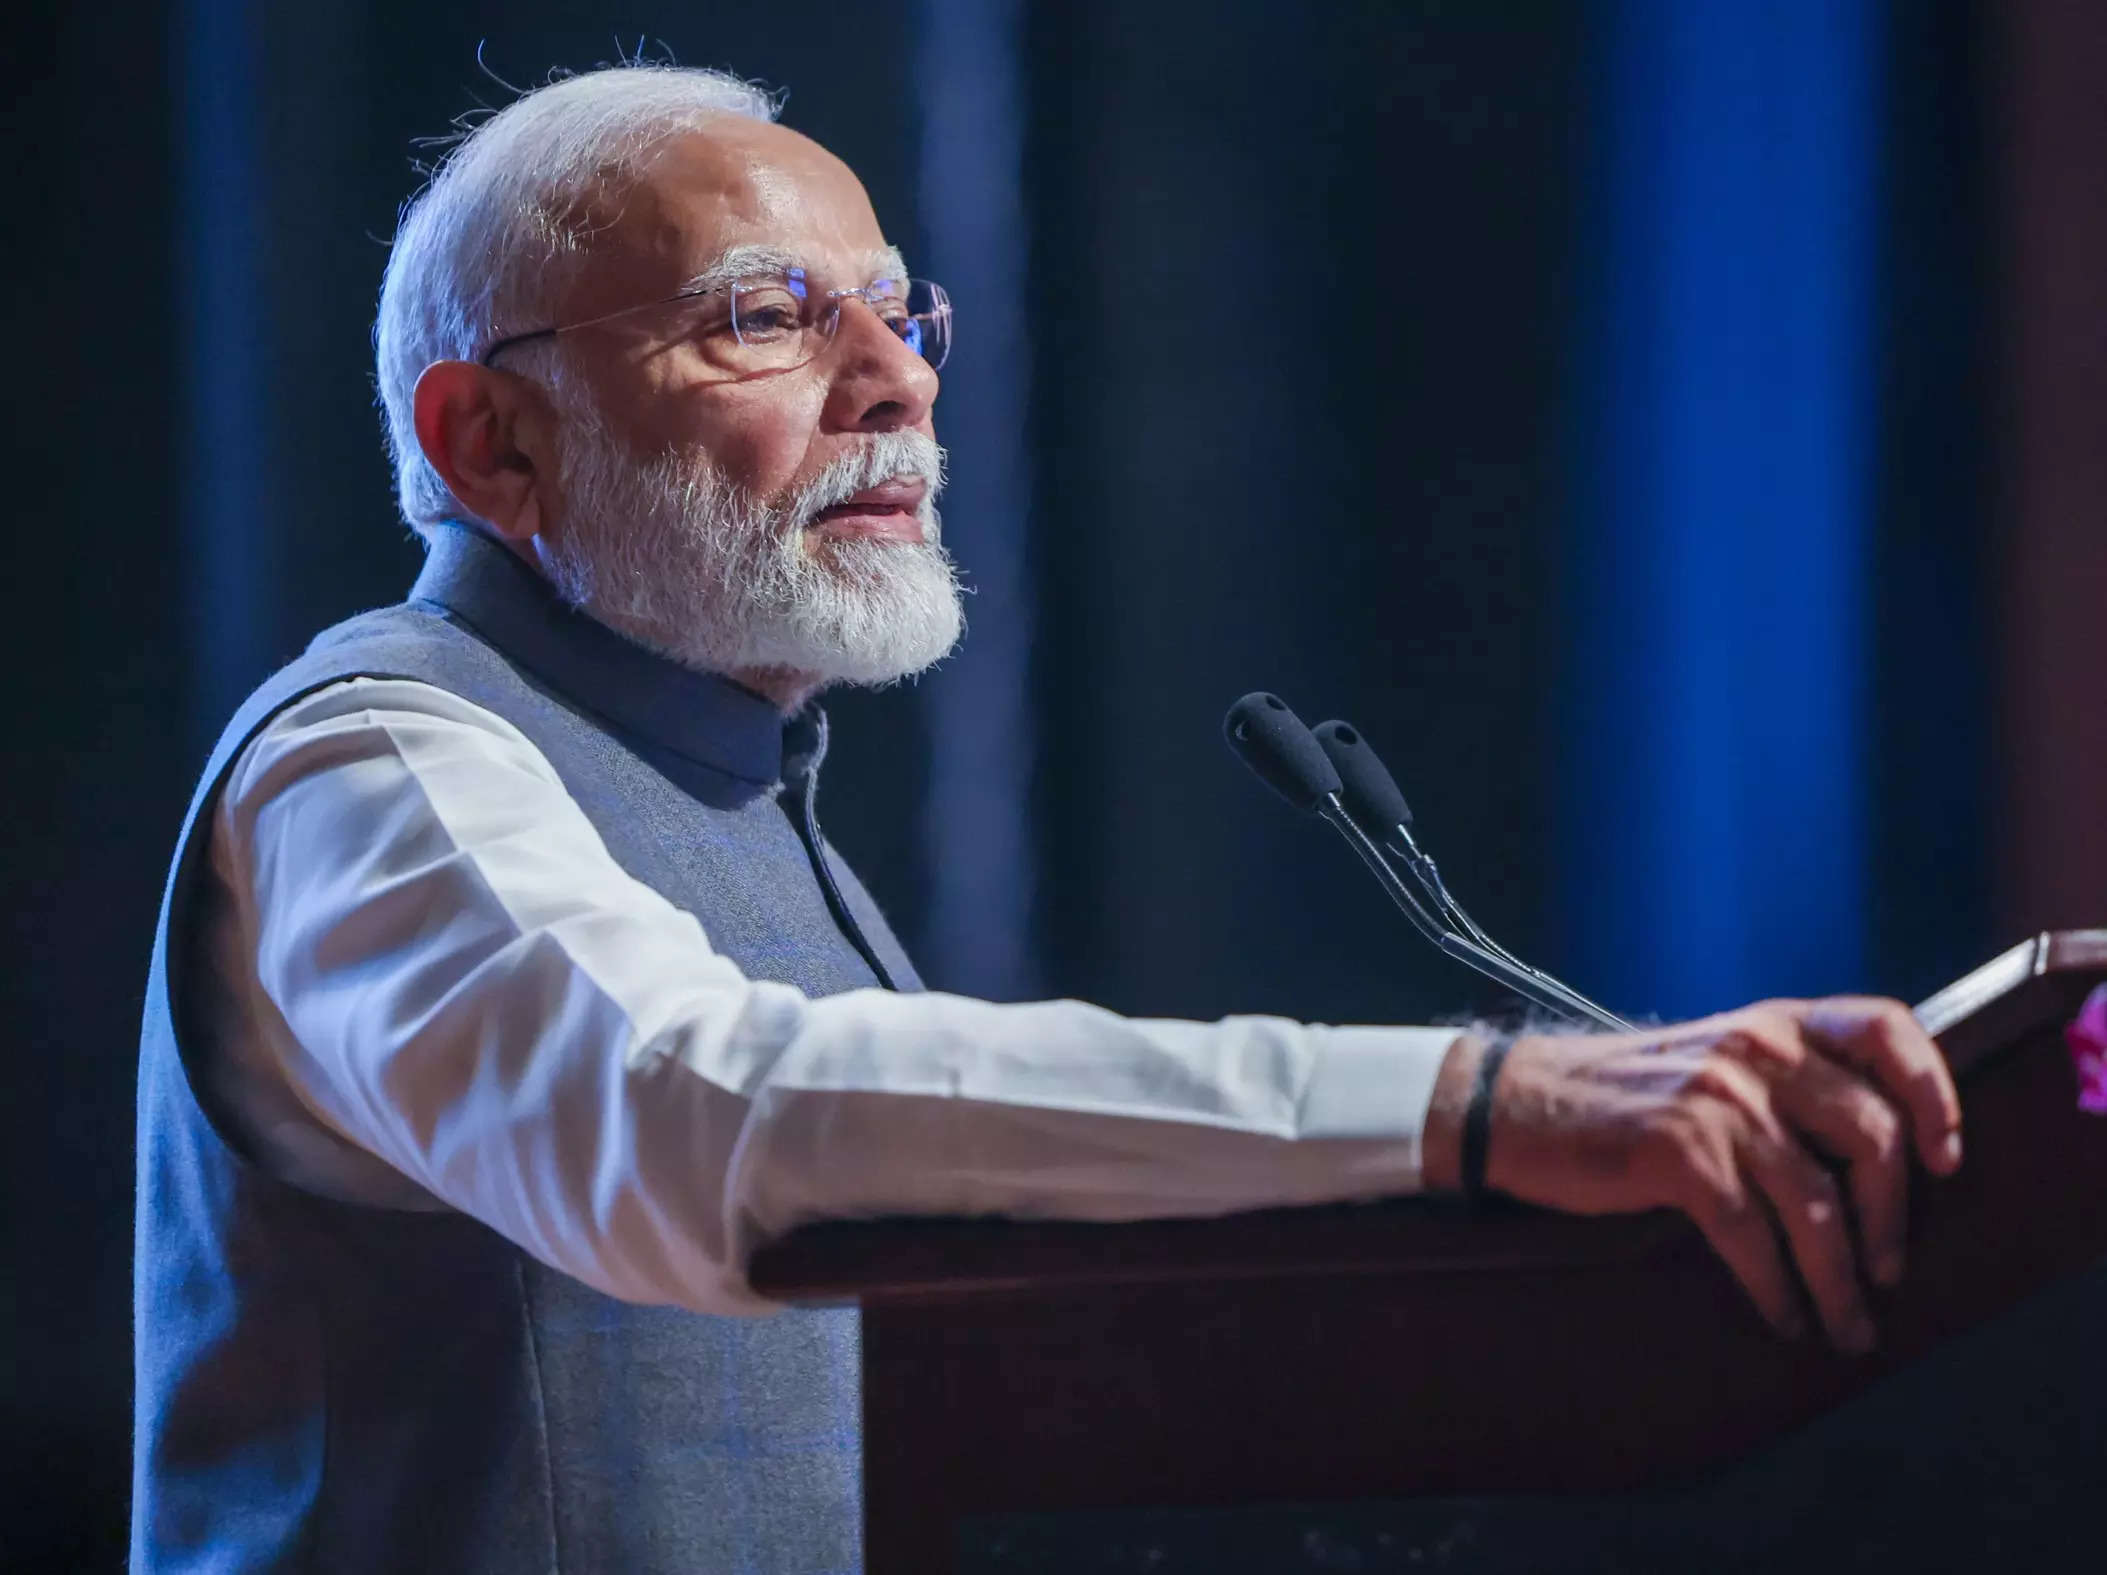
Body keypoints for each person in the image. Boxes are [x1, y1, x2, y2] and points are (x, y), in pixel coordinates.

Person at [131, 63, 1963, 1574]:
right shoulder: (370, 763)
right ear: (490, 442)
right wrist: (1479, 1106)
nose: (900, 378)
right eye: (766, 316)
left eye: (895, 308)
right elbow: (688, 1118)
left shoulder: (754, 805)